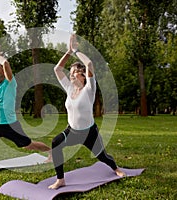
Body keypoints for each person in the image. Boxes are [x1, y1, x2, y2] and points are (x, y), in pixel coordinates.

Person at [48, 34, 126, 189]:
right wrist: (68, 51)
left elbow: (89, 64)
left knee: (102, 156)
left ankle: (116, 168)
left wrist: (76, 50)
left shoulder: (90, 89)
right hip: (72, 131)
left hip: (89, 133)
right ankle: (60, 179)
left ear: (83, 75)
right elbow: (57, 69)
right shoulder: (70, 88)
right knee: (55, 143)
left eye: (74, 71)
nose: (70, 73)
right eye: (70, 71)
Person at [0, 43, 52, 172]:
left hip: (10, 125)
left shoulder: (10, 83)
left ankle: (51, 151)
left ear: (2, 71)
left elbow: (6, 64)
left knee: (28, 145)